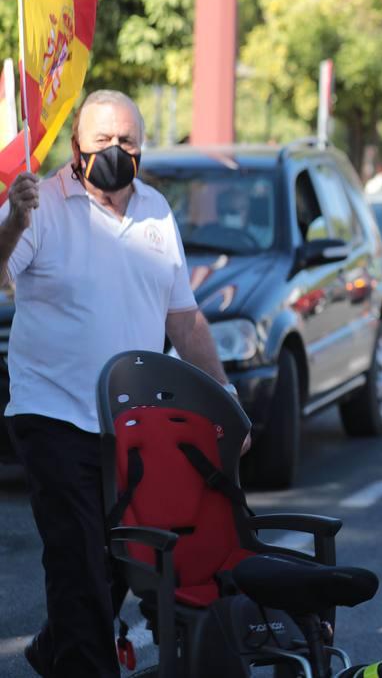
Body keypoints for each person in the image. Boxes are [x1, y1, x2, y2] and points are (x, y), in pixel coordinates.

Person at [1, 90, 236, 677]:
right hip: (53, 414)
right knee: (79, 559)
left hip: (135, 426)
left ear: (142, 147)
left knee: (124, 558)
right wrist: (12, 220)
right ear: (77, 145)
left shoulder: (156, 209)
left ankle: (55, 647)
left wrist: (226, 400)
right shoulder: (38, 205)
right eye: (102, 140)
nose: (115, 150)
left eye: (126, 140)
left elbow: (183, 317)